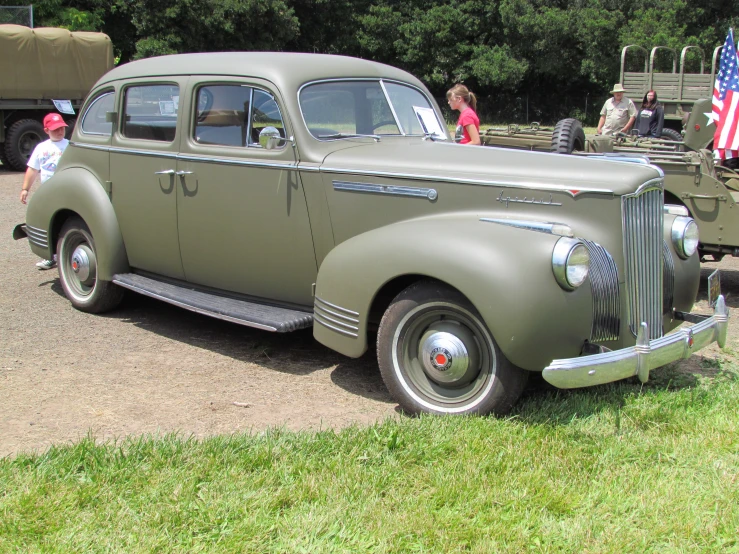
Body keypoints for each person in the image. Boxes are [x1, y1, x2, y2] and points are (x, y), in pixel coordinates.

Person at [19, 112, 69, 270]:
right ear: (46, 130)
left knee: (66, 223)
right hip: (49, 192)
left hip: (66, 191)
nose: (59, 131)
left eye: (61, 128)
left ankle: (64, 254)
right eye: (55, 129)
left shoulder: (70, 145)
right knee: (49, 223)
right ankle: (50, 257)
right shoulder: (41, 148)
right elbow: (33, 169)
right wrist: (25, 189)